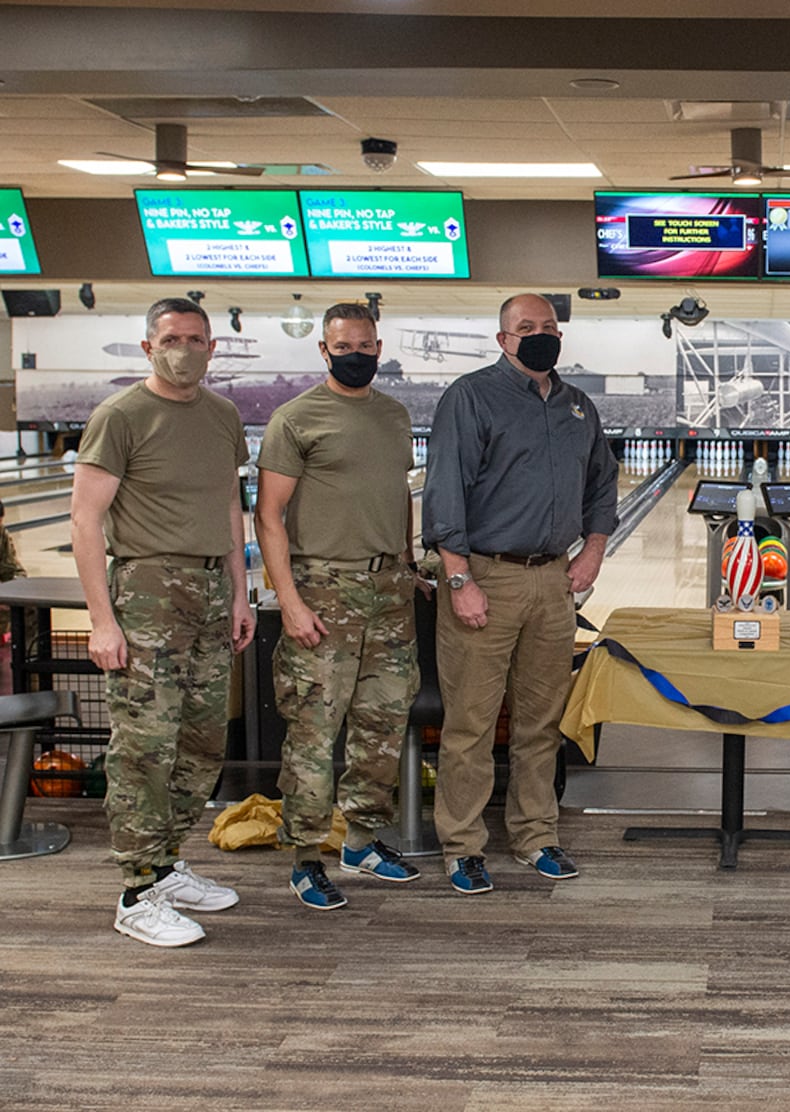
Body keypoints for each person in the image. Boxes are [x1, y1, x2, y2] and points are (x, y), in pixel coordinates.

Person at [70, 296, 254, 948]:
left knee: (202, 740)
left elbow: (229, 505)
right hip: (146, 589)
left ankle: (168, 863)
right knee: (145, 743)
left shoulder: (223, 415)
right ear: (149, 346)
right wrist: (101, 621)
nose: (188, 347)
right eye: (174, 337)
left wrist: (239, 592)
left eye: (198, 338)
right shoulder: (120, 416)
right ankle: (135, 890)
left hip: (208, 588)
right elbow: (85, 519)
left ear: (213, 347)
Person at [422, 293, 617, 895]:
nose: (540, 335)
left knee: (540, 723)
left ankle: (536, 835)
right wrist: (459, 579)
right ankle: (462, 845)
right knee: (471, 725)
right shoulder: (471, 396)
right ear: (502, 338)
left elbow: (603, 484)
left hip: (553, 581)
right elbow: (446, 491)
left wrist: (593, 550)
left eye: (549, 327)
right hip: (486, 576)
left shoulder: (577, 404)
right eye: (526, 327)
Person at [256, 302, 424, 911]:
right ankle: (305, 857)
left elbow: (399, 496)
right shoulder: (295, 419)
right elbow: (267, 515)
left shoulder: (394, 414)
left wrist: (406, 564)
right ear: (324, 351)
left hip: (388, 594)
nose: (358, 354)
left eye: (367, 345)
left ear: (380, 347)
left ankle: (362, 840)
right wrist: (290, 602)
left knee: (381, 725)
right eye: (344, 346)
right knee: (314, 730)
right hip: (324, 589)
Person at [0, 497, 27, 647]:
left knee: (30, 608)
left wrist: (18, 586)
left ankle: (27, 663)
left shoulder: (2, 535)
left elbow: (12, 568)